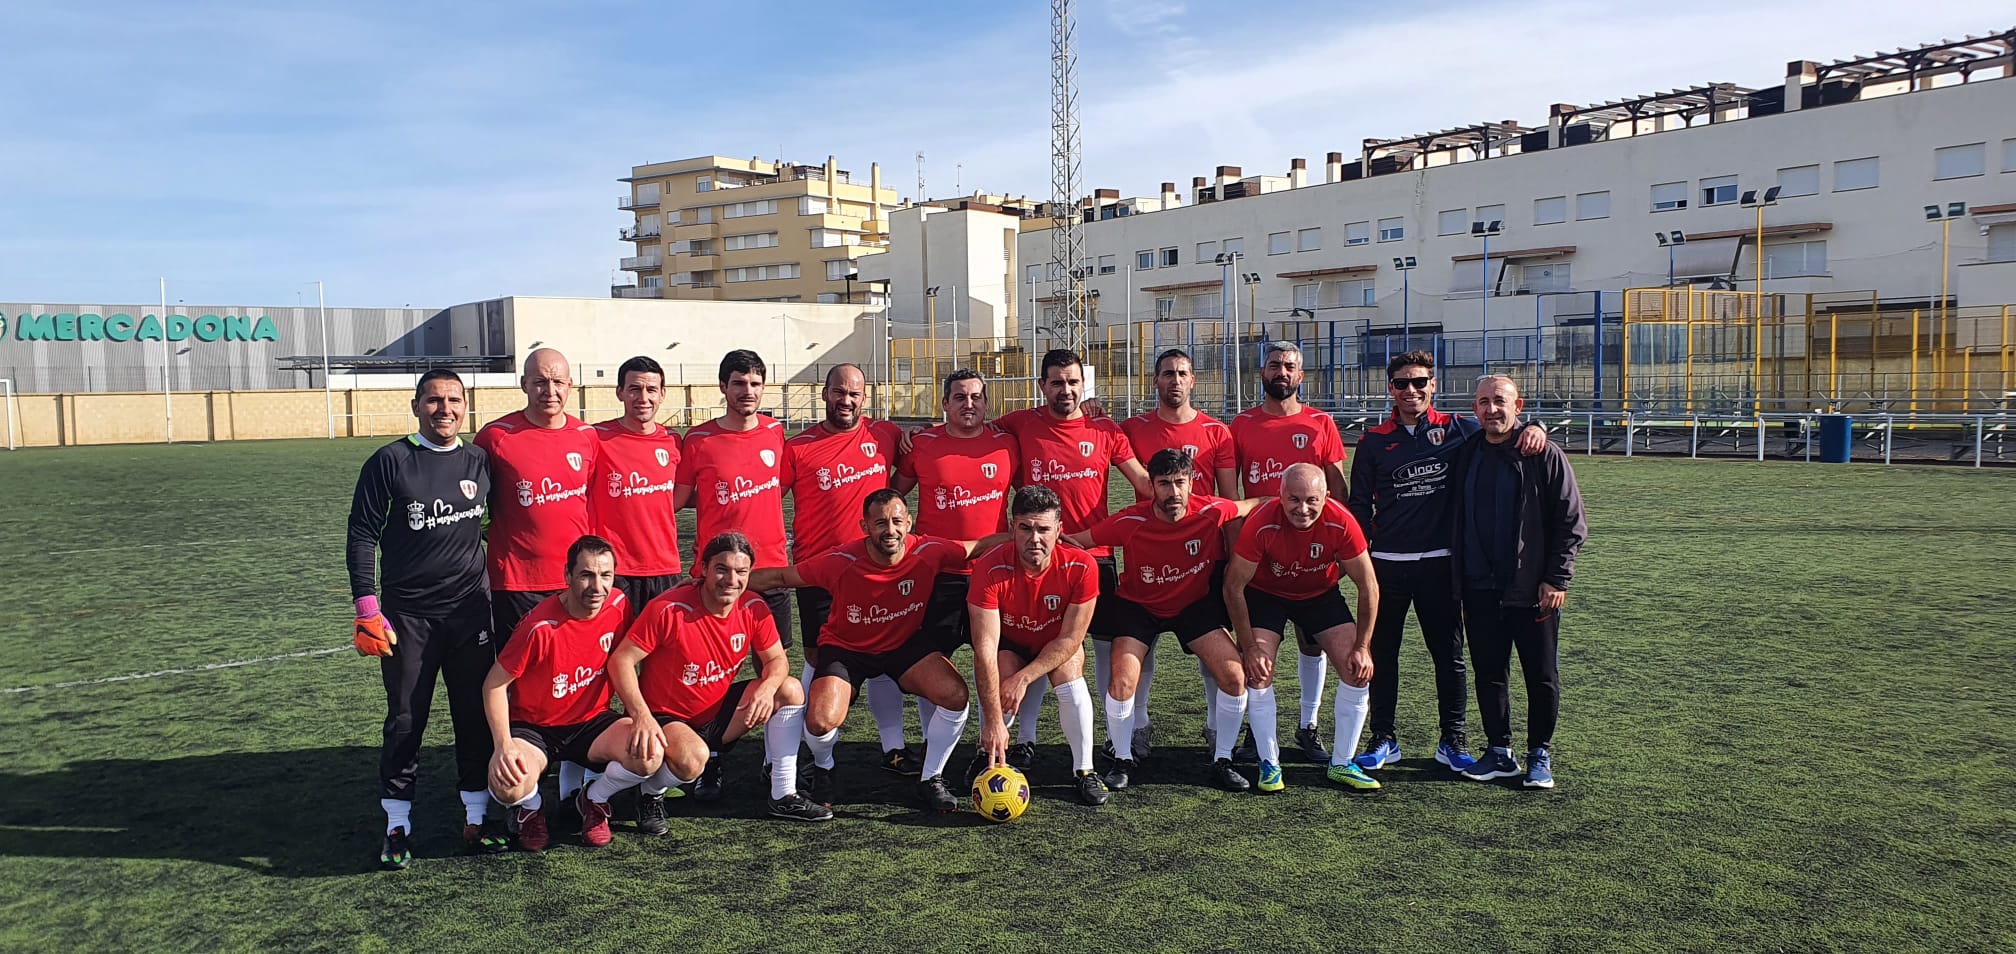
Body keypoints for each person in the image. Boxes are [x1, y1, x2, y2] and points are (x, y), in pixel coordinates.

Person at [1347, 351, 1547, 775]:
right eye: (1401, 383)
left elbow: (1503, 427)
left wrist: (1536, 427)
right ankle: (1383, 738)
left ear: (1433, 385)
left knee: (1449, 656)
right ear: (1390, 389)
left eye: (1419, 381)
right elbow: (1359, 505)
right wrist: (1361, 560)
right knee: (1383, 653)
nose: (1411, 390)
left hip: (1441, 564)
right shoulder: (1373, 441)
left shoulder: (1460, 429)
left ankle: (1452, 740)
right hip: (1387, 564)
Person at [748, 490, 998, 812]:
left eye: (897, 521)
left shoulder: (928, 550)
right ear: (864, 526)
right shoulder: (841, 561)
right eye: (880, 523)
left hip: (903, 645)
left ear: (909, 522)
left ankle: (930, 777)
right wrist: (723, 583)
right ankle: (824, 768)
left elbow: (974, 547)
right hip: (846, 649)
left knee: (954, 695)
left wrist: (1022, 536)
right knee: (820, 721)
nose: (890, 530)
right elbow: (782, 576)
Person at [345, 368, 496, 869]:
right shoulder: (390, 461)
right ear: (416, 407)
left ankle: (477, 817)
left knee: (474, 716)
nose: (444, 409)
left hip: (470, 614)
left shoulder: (479, 461)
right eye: (433, 400)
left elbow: (496, 525)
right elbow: (361, 534)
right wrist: (367, 606)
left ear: (465, 407)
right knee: (406, 719)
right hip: (408, 617)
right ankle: (397, 824)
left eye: (454, 400)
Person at [1066, 449, 1262, 792]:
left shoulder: (1212, 510)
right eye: (1164, 484)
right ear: (1152, 486)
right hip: (1139, 608)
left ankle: (1223, 759)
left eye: (1180, 482)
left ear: (1192, 483)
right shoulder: (1129, 521)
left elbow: (1251, 505)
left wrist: (1295, 500)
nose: (1174, 492)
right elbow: (1078, 542)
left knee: (1234, 677)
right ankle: (1122, 759)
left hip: (1192, 607)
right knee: (1121, 682)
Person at [604, 531, 833, 824]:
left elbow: (777, 660)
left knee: (788, 690)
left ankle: (783, 794)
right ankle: (649, 794)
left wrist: (767, 688)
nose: (731, 580)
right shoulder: (669, 608)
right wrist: (641, 716)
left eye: (741, 572)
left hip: (716, 715)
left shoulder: (752, 606)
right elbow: (621, 660)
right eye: (722, 569)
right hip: (666, 719)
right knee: (691, 761)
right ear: (704, 569)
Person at [993, 349, 1150, 759]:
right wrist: (920, 432)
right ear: (1042, 385)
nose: (1066, 389)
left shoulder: (1104, 428)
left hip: (1094, 557)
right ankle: (1024, 740)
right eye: (1057, 382)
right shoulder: (1020, 423)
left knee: (1104, 649)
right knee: (1033, 645)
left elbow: (1143, 482)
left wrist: (1189, 502)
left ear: (1084, 385)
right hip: (1038, 558)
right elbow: (971, 431)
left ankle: (1112, 737)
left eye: (1073, 382)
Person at [1451, 375, 1586, 789]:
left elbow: (1571, 522)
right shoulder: (1467, 451)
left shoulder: (1542, 453)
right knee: (1489, 673)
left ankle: (1539, 753)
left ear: (1518, 406)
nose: (1492, 409)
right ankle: (1499, 751)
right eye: (1483, 402)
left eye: (1500, 401)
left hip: (1532, 591)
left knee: (1540, 676)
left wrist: (1556, 578)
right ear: (1474, 409)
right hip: (1479, 586)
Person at [480, 535, 656, 850]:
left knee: (649, 754)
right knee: (507, 785)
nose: (597, 586)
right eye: (586, 575)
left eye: (606, 575)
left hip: (591, 723)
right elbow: (494, 684)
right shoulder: (538, 627)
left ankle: (594, 799)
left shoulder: (619, 605)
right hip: (536, 729)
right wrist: (502, 745)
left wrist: (642, 716)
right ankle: (531, 809)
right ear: (567, 575)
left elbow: (626, 660)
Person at [783, 364, 914, 776]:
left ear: (864, 397)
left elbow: (911, 470)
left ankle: (894, 747)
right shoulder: (797, 447)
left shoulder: (885, 434)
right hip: (819, 572)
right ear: (824, 394)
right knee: (817, 657)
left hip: (877, 569)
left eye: (854, 393)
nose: (846, 400)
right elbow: (767, 497)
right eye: (839, 392)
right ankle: (804, 753)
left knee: (885, 652)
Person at [1223, 463, 1382, 793]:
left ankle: (1342, 763)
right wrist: (1249, 647)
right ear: (1280, 495)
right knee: (1259, 671)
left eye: (1312, 500)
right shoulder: (1262, 521)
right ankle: (1269, 763)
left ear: (1326, 496)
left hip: (1319, 595)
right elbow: (1233, 587)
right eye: (1294, 499)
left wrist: (1363, 647)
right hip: (1267, 595)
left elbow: (1368, 585)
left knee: (1357, 670)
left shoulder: (1341, 520)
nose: (1303, 508)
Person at [1228, 340, 1350, 764]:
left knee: (1312, 641)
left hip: (1312, 557)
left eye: (1289, 366)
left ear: (1300, 375)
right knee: (1258, 649)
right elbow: (1231, 495)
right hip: (1262, 558)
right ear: (1262, 372)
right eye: (1274, 364)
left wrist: (1333, 547)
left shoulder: (1321, 423)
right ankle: (1255, 730)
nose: (1282, 371)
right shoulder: (1242, 424)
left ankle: (1308, 725)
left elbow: (1338, 491)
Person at [889, 368, 1018, 769]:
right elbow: (891, 497)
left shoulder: (1007, 444)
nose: (969, 404)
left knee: (1000, 663)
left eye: (976, 397)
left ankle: (990, 750)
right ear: (944, 403)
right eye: (959, 397)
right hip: (937, 577)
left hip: (994, 574)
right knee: (934, 664)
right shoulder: (922, 444)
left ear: (987, 403)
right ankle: (934, 748)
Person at [1115, 348, 1239, 759]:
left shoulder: (1217, 432)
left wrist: (1233, 557)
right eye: (1167, 373)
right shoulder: (1133, 428)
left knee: (1213, 648)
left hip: (1203, 557)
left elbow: (1229, 498)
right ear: (1156, 381)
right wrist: (1093, 408)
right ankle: (1139, 725)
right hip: (1147, 553)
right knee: (1140, 647)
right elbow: (1100, 436)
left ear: (1193, 380)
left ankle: (1214, 725)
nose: (1175, 380)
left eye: (1182, 373)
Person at [969, 487, 1109, 806]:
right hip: (1012, 643)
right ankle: (987, 750)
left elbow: (1070, 639)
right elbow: (985, 648)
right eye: (1026, 528)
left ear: (1059, 530)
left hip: (1056, 643)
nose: (1035, 538)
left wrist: (1025, 678)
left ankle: (1085, 770)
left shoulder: (1082, 566)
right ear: (1012, 528)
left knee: (1070, 669)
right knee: (1002, 671)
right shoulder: (989, 567)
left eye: (1044, 529)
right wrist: (993, 720)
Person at [475, 347, 598, 643]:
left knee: (571, 663)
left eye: (558, 382)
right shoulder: (495, 437)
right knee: (518, 666)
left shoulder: (587, 436)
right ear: (524, 384)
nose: (550, 391)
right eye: (540, 382)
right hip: (516, 583)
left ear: (570, 385)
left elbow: (588, 501)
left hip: (574, 578)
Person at [675, 350, 792, 643]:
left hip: (771, 568)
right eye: (739, 383)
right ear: (723, 386)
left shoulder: (774, 431)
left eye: (755, 384)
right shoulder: (698, 440)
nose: (748, 391)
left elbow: (778, 486)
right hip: (719, 569)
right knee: (713, 660)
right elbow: (679, 498)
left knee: (775, 661)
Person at [591, 355, 683, 609]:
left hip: (665, 568)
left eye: (651, 389)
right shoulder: (595, 438)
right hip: (614, 569)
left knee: (665, 636)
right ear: (619, 392)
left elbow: (683, 494)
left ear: (662, 394)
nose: (643, 397)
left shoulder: (673, 441)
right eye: (634, 389)